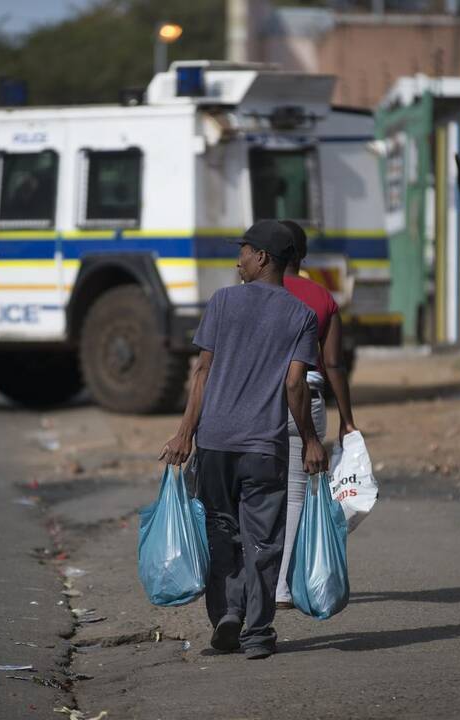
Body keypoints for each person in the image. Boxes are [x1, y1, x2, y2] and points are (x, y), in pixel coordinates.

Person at [160, 219, 328, 660]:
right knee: (263, 541)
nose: (239, 261)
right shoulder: (301, 316)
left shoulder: (222, 303)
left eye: (245, 251)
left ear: (264, 258)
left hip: (214, 443)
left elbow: (202, 374)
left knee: (222, 533)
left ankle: (227, 617)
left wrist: (184, 434)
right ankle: (256, 632)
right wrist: (310, 440)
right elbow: (296, 385)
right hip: (263, 447)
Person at [275, 220, 358, 609]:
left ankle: (251, 582)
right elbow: (334, 364)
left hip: (254, 402)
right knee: (295, 495)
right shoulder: (321, 298)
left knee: (254, 493)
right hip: (306, 401)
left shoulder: (251, 293)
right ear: (302, 255)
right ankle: (281, 587)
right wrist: (346, 419)